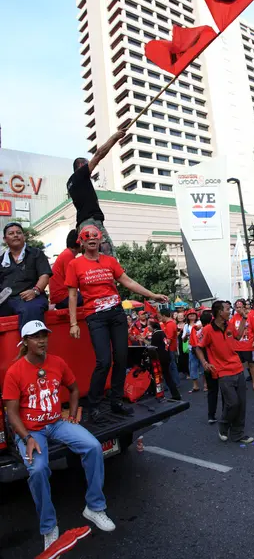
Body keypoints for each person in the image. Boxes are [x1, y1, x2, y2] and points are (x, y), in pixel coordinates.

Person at [2, 320, 116, 552]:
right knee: (38, 469)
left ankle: (94, 507)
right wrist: (26, 438)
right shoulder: (15, 371)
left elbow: (73, 388)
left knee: (93, 446)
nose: (42, 340)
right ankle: (48, 527)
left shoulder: (57, 362)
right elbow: (11, 413)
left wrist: (72, 414)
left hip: (56, 423)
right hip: (30, 430)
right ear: (25, 342)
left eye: (44, 335)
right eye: (35, 336)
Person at [65, 225, 167, 422]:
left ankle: (116, 401)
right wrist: (73, 323)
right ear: (82, 242)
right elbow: (71, 295)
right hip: (95, 317)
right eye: (87, 238)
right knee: (103, 361)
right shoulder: (75, 265)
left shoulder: (110, 261)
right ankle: (93, 406)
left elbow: (128, 282)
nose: (92, 240)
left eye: (95, 237)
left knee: (121, 358)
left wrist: (152, 294)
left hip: (116, 314)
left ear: (100, 240)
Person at [196, 301, 254, 444]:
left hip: (238, 368)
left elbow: (239, 336)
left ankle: (237, 434)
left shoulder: (229, 325)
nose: (230, 311)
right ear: (220, 312)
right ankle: (224, 424)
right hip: (222, 371)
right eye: (228, 309)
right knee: (233, 403)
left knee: (241, 403)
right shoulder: (208, 330)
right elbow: (198, 347)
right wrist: (205, 363)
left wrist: (245, 319)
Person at [67, 130, 126, 256]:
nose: (91, 167)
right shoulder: (81, 174)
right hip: (91, 221)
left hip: (82, 224)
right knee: (108, 255)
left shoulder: (71, 182)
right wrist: (115, 138)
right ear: (82, 165)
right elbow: (99, 154)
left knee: (92, 258)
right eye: (88, 164)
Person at [0, 222, 52, 328]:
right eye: (11, 233)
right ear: (5, 239)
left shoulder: (36, 254)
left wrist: (35, 291)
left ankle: (29, 343)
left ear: (23, 236)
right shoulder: (1, 260)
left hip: (33, 297)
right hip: (7, 300)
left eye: (18, 233)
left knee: (30, 309)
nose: (15, 235)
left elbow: (44, 275)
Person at [193, 311, 220, 424]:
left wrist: (203, 362)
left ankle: (211, 415)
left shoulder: (198, 332)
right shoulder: (210, 330)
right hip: (216, 364)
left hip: (207, 364)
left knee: (212, 391)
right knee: (222, 390)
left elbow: (195, 348)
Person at [229, 299, 254, 392]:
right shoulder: (234, 318)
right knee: (240, 366)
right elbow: (230, 330)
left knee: (251, 364)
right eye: (237, 307)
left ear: (244, 307)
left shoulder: (250, 316)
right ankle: (242, 384)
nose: (238, 309)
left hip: (249, 345)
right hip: (237, 346)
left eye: (240, 307)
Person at [49, 230, 83, 309]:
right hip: (62, 297)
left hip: (61, 296)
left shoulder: (66, 254)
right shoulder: (68, 256)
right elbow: (73, 280)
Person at [149, 319, 181, 401]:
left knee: (159, 378)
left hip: (160, 358)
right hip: (166, 357)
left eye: (149, 325)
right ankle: (175, 394)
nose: (148, 327)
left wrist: (143, 339)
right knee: (167, 376)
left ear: (153, 327)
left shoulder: (156, 334)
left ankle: (160, 395)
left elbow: (152, 348)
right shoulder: (162, 333)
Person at [183, 309, 205, 393]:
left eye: (193, 314)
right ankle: (195, 386)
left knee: (203, 366)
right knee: (193, 367)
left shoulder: (200, 323)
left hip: (200, 347)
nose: (192, 315)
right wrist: (186, 336)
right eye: (190, 314)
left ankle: (206, 385)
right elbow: (183, 339)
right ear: (187, 316)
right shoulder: (186, 326)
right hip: (191, 349)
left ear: (196, 315)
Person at [159, 308, 180, 388]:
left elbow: (168, 340)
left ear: (164, 315)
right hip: (170, 348)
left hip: (169, 349)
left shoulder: (170, 324)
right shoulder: (170, 324)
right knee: (171, 366)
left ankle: (174, 383)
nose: (160, 318)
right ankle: (174, 383)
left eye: (161, 317)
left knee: (171, 367)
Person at [176, 311, 189, 377]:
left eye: (181, 316)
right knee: (181, 357)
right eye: (179, 316)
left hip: (186, 342)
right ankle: (184, 371)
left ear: (184, 318)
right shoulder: (175, 325)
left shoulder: (186, 325)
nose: (180, 318)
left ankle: (188, 372)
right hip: (178, 343)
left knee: (186, 357)